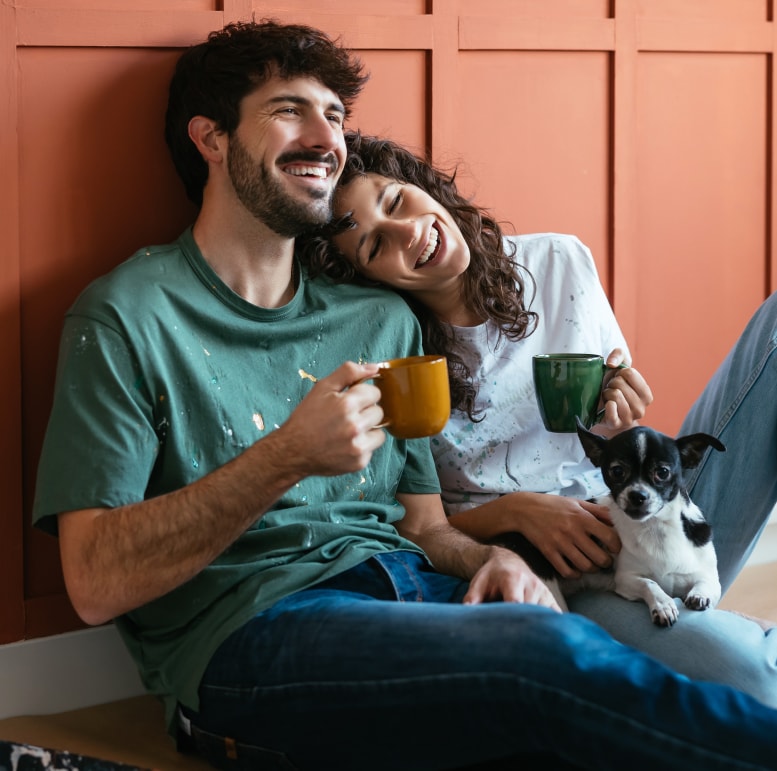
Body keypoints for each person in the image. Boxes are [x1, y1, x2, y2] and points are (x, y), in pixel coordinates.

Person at [32, 20, 777, 771]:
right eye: (291, 109)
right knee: (540, 657)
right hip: (257, 629)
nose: (326, 136)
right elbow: (94, 583)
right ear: (212, 139)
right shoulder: (125, 315)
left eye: (334, 115)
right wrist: (286, 456)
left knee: (566, 680)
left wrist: (492, 556)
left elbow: (424, 525)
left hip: (411, 587)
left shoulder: (379, 317)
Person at [302, 130, 777, 705]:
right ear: (369, 279)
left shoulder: (559, 261)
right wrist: (519, 513)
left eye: (397, 202)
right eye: (376, 247)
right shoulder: (392, 349)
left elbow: (615, 441)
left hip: (638, 504)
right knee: (747, 677)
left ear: (421, 186)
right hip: (562, 573)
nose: (407, 233)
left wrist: (621, 404)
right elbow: (416, 531)